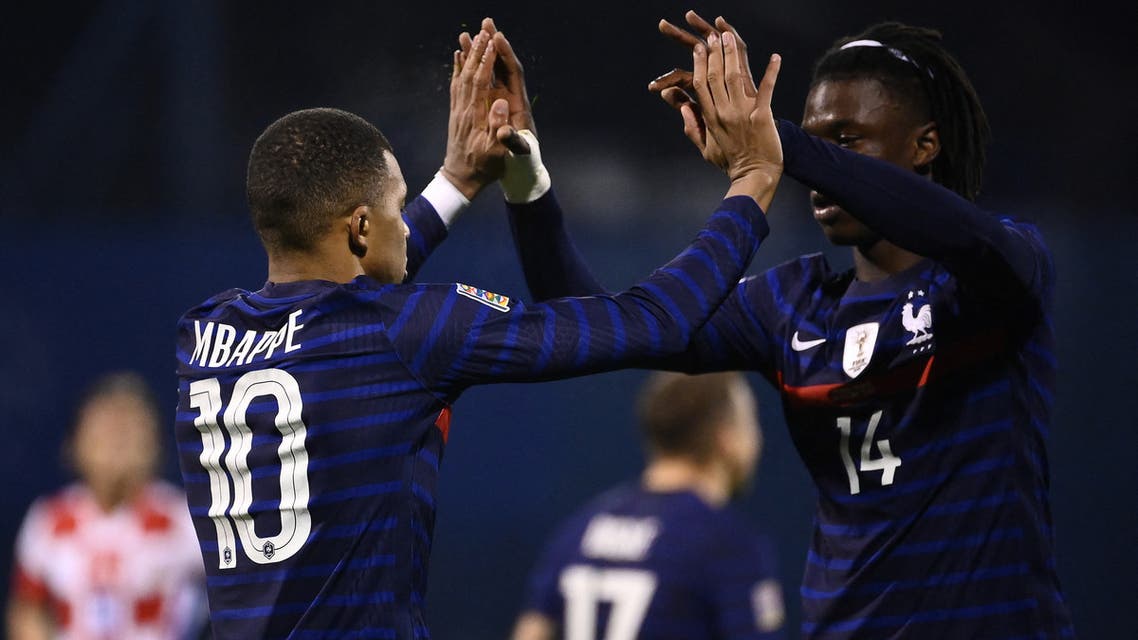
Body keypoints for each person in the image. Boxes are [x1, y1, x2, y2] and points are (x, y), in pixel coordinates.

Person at [429, 12, 1075, 639]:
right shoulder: (793, 304)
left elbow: (970, 238)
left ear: (924, 145)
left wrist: (780, 143)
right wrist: (526, 177)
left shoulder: (998, 277)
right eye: (814, 140)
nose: (813, 169)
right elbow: (595, 322)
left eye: (846, 140)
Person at [173, 21, 785, 639]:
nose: (405, 226)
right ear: (359, 227)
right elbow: (652, 321)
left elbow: (351, 288)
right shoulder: (411, 331)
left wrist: (458, 180)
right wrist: (752, 180)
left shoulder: (204, 335)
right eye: (397, 208)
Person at [512, 371, 785, 640]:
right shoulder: (726, 544)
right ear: (726, 438)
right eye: (751, 421)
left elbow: (531, 632)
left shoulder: (580, 529)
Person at [8, 372, 206, 640]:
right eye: (104, 431)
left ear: (156, 445)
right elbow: (28, 609)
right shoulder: (50, 519)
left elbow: (233, 596)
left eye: (130, 431)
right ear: (75, 444)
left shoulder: (184, 520)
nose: (116, 444)